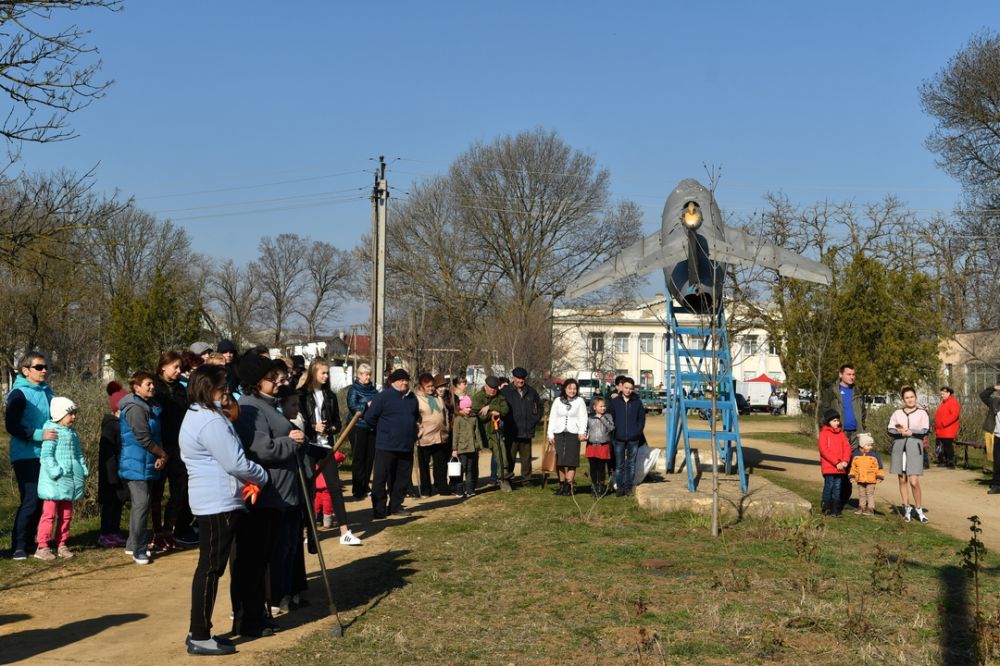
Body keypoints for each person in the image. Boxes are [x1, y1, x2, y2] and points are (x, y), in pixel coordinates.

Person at [179, 364, 268, 656]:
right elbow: (235, 462)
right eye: (221, 386)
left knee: (211, 566)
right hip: (219, 501)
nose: (227, 391)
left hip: (216, 499)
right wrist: (262, 476)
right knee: (211, 568)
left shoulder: (201, 415)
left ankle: (199, 630)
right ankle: (200, 634)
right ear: (207, 388)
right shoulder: (210, 421)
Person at [232, 354, 305, 637]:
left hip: (279, 495)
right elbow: (262, 449)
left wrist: (297, 438)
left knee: (264, 560)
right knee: (253, 562)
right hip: (262, 495)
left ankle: (258, 615)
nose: (279, 382)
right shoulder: (251, 408)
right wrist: (290, 442)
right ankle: (248, 619)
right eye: (272, 378)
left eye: (279, 377)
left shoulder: (268, 406)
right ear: (254, 382)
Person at [296, 359, 360, 546]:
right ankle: (307, 530)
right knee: (308, 489)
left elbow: (337, 424)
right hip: (308, 446)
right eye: (322, 372)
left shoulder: (330, 396)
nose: (326, 376)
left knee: (335, 488)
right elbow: (297, 422)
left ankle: (344, 532)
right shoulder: (301, 395)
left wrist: (329, 429)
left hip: (325, 447)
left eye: (327, 373)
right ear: (313, 372)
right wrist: (312, 428)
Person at [5, 352, 56, 560]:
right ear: (25, 371)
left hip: (46, 453)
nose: (44, 370)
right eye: (38, 367)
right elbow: (11, 425)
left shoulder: (47, 391)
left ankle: (30, 543)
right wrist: (38, 435)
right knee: (30, 499)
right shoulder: (18, 393)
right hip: (25, 454)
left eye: (45, 367)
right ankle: (18, 546)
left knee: (43, 499)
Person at [119, 371, 168, 565]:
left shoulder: (150, 406)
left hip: (145, 462)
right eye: (148, 384)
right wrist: (162, 454)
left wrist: (159, 455)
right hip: (135, 463)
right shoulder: (135, 409)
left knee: (142, 505)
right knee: (142, 504)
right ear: (136, 387)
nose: (152, 387)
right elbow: (144, 438)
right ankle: (139, 549)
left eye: (153, 383)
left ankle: (132, 544)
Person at [152, 351, 197, 551]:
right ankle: (156, 532)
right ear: (163, 366)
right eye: (175, 367)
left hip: (179, 447)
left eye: (180, 368)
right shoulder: (153, 386)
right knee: (157, 492)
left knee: (179, 491)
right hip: (159, 447)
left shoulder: (181, 389)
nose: (179, 371)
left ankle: (169, 531)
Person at [34, 397, 88, 560]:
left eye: (74, 414)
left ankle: (62, 544)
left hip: (69, 481)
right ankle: (42, 546)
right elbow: (46, 455)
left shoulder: (73, 434)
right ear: (59, 414)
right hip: (54, 481)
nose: (74, 417)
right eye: (70, 414)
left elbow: (78, 454)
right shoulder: (52, 431)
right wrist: (56, 471)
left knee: (66, 515)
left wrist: (83, 467)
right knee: (49, 514)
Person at [364, 368, 420, 518]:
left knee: (401, 478)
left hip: (406, 445)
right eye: (401, 380)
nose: (404, 383)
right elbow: (370, 417)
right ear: (393, 382)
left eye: (406, 380)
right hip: (386, 445)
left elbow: (415, 417)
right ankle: (379, 509)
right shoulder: (383, 397)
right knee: (381, 479)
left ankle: (396, 506)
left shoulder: (412, 398)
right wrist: (385, 430)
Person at [819, 364, 866, 508]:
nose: (852, 377)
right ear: (840, 374)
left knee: (851, 468)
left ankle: (843, 499)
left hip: (856, 435)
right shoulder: (832, 392)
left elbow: (863, 413)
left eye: (853, 374)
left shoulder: (857, 391)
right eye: (849, 374)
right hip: (838, 435)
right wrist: (826, 432)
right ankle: (829, 500)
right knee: (836, 468)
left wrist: (863, 429)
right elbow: (823, 413)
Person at [888, 386, 930, 523]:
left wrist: (912, 432)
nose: (910, 400)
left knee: (914, 481)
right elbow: (890, 429)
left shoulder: (922, 413)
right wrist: (900, 432)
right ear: (903, 399)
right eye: (907, 397)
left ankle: (918, 509)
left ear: (915, 397)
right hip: (900, 448)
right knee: (902, 479)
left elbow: (925, 430)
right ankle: (907, 508)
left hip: (914, 448)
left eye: (912, 397)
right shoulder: (897, 413)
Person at [97, 382, 130, 548]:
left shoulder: (122, 426)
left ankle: (114, 532)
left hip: (120, 473)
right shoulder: (111, 426)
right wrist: (112, 476)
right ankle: (105, 533)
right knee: (110, 506)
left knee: (118, 505)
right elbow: (108, 454)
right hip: (112, 476)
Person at [501, 367, 543, 486]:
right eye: (518, 378)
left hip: (526, 430)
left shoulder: (531, 391)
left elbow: (539, 406)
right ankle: (508, 478)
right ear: (513, 378)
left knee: (526, 458)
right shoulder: (505, 391)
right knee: (510, 457)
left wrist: (535, 419)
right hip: (511, 430)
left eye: (523, 378)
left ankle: (526, 480)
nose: (521, 381)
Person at [546, 378, 588, 496]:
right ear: (565, 388)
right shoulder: (558, 401)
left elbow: (583, 417)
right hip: (558, 432)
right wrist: (550, 434)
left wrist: (582, 432)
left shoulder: (580, 401)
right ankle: (561, 485)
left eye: (575, 389)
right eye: (570, 388)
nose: (572, 391)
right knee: (559, 460)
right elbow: (552, 417)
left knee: (571, 460)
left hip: (573, 433)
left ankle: (569, 486)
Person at [472, 376, 511, 491]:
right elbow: (480, 415)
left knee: (500, 450)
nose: (493, 390)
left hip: (494, 429)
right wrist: (492, 413)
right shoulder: (478, 397)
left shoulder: (500, 396)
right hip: (480, 431)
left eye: (495, 388)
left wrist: (490, 407)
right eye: (491, 388)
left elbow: (505, 410)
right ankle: (472, 483)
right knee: (474, 456)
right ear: (485, 386)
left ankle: (502, 477)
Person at [415, 373, 451, 497]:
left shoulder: (437, 397)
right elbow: (415, 418)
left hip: (440, 436)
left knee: (440, 465)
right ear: (421, 386)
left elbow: (444, 413)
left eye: (432, 386)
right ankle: (426, 490)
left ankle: (442, 487)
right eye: (428, 386)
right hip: (425, 437)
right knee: (424, 466)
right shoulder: (417, 399)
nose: (431, 388)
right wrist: (419, 431)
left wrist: (446, 428)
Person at [610, 377, 645, 497]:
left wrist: (637, 432)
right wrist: (614, 431)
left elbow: (641, 419)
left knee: (631, 463)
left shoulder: (637, 402)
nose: (628, 390)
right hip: (618, 438)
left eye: (630, 388)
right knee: (619, 465)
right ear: (621, 387)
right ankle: (619, 487)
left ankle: (628, 487)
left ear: (633, 389)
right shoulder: (615, 402)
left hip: (633, 438)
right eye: (626, 388)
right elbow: (611, 418)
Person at [348, 363, 379, 499]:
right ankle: (358, 488)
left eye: (369, 374)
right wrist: (366, 405)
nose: (368, 377)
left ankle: (366, 486)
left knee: (369, 459)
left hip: (372, 427)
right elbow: (353, 407)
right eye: (365, 374)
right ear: (359, 375)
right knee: (359, 458)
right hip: (357, 427)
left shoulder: (374, 390)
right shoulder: (353, 390)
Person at [449, 376, 480, 497]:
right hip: (461, 447)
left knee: (470, 469)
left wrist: (478, 445)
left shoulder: (473, 418)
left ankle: (470, 488)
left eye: (469, 407)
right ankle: (458, 489)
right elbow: (455, 434)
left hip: (472, 447)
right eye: (463, 383)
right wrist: (454, 449)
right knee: (460, 469)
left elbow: (476, 433)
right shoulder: (458, 419)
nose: (468, 409)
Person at [817, 409, 851, 517]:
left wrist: (845, 461)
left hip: (840, 467)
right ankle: (826, 506)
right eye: (834, 420)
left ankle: (836, 508)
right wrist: (836, 462)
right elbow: (824, 450)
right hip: (829, 466)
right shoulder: (823, 434)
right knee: (829, 486)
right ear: (828, 422)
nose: (837, 423)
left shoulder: (841, 434)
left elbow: (847, 448)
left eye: (838, 420)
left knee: (837, 487)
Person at [848, 433, 885, 516]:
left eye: (871, 445)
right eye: (868, 445)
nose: (870, 447)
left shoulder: (875, 456)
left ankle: (870, 508)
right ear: (861, 445)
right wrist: (852, 476)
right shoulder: (856, 456)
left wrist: (879, 477)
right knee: (861, 493)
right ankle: (861, 506)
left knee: (869, 493)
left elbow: (880, 468)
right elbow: (853, 467)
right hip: (860, 478)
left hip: (871, 479)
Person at [585, 397, 614, 497]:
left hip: (603, 446)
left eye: (604, 406)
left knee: (601, 467)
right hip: (592, 445)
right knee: (593, 467)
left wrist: (602, 418)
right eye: (601, 406)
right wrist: (584, 435)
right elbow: (585, 428)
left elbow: (611, 427)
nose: (603, 408)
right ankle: (594, 486)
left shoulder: (608, 416)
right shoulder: (589, 417)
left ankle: (601, 486)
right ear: (594, 407)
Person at [933, 386, 960, 468]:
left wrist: (944, 423)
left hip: (948, 430)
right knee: (939, 447)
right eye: (941, 394)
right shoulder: (942, 403)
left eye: (943, 394)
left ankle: (950, 462)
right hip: (940, 430)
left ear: (949, 393)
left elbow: (954, 415)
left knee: (948, 446)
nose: (942, 395)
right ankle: (942, 460)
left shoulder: (953, 402)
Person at [981, 383, 1000, 489]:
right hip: (998, 435)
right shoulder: (995, 402)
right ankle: (997, 484)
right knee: (997, 462)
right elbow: (983, 396)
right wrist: (993, 388)